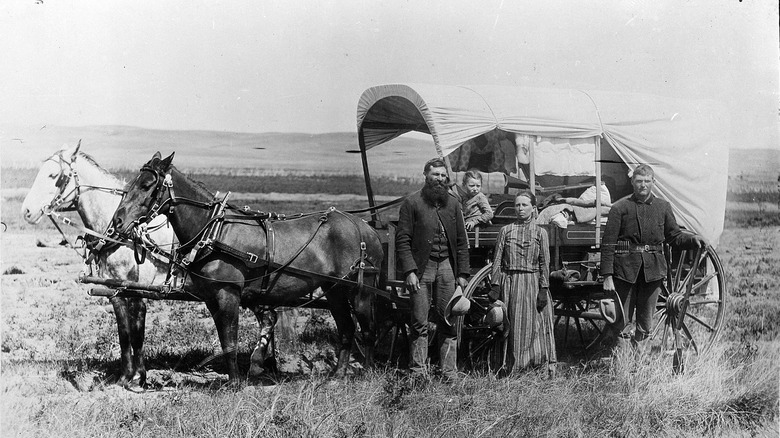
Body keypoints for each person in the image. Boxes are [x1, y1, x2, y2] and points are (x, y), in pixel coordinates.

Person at [601, 164, 707, 350]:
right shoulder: (620, 208)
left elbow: (674, 236)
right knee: (622, 322)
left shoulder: (662, 207)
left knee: (645, 322)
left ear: (653, 182)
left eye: (647, 181)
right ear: (632, 182)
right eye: (639, 181)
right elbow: (608, 244)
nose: (643, 185)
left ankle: (640, 366)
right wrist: (607, 275)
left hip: (653, 272)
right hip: (625, 272)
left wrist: (693, 239)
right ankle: (623, 367)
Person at [396, 158, 471, 380]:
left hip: (447, 268)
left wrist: (463, 274)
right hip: (422, 269)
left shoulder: (453, 203)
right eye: (435, 174)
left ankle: (449, 373)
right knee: (419, 323)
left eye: (442, 175)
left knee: (448, 322)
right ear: (425, 175)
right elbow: (403, 240)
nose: (439, 179)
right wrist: (409, 271)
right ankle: (418, 373)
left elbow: (461, 241)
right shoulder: (412, 203)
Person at [490, 190, 556, 376]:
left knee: (535, 325)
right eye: (517, 205)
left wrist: (544, 288)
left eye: (524, 205)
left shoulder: (540, 232)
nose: (520, 209)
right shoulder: (506, 231)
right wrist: (495, 285)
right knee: (513, 325)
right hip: (511, 283)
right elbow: (497, 260)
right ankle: (511, 367)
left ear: (533, 208)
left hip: (532, 283)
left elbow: (545, 262)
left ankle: (535, 366)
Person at [537, 180, 612, 226]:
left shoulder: (599, 194)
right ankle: (562, 215)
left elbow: (586, 202)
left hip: (591, 202)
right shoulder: (596, 194)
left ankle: (563, 215)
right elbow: (583, 202)